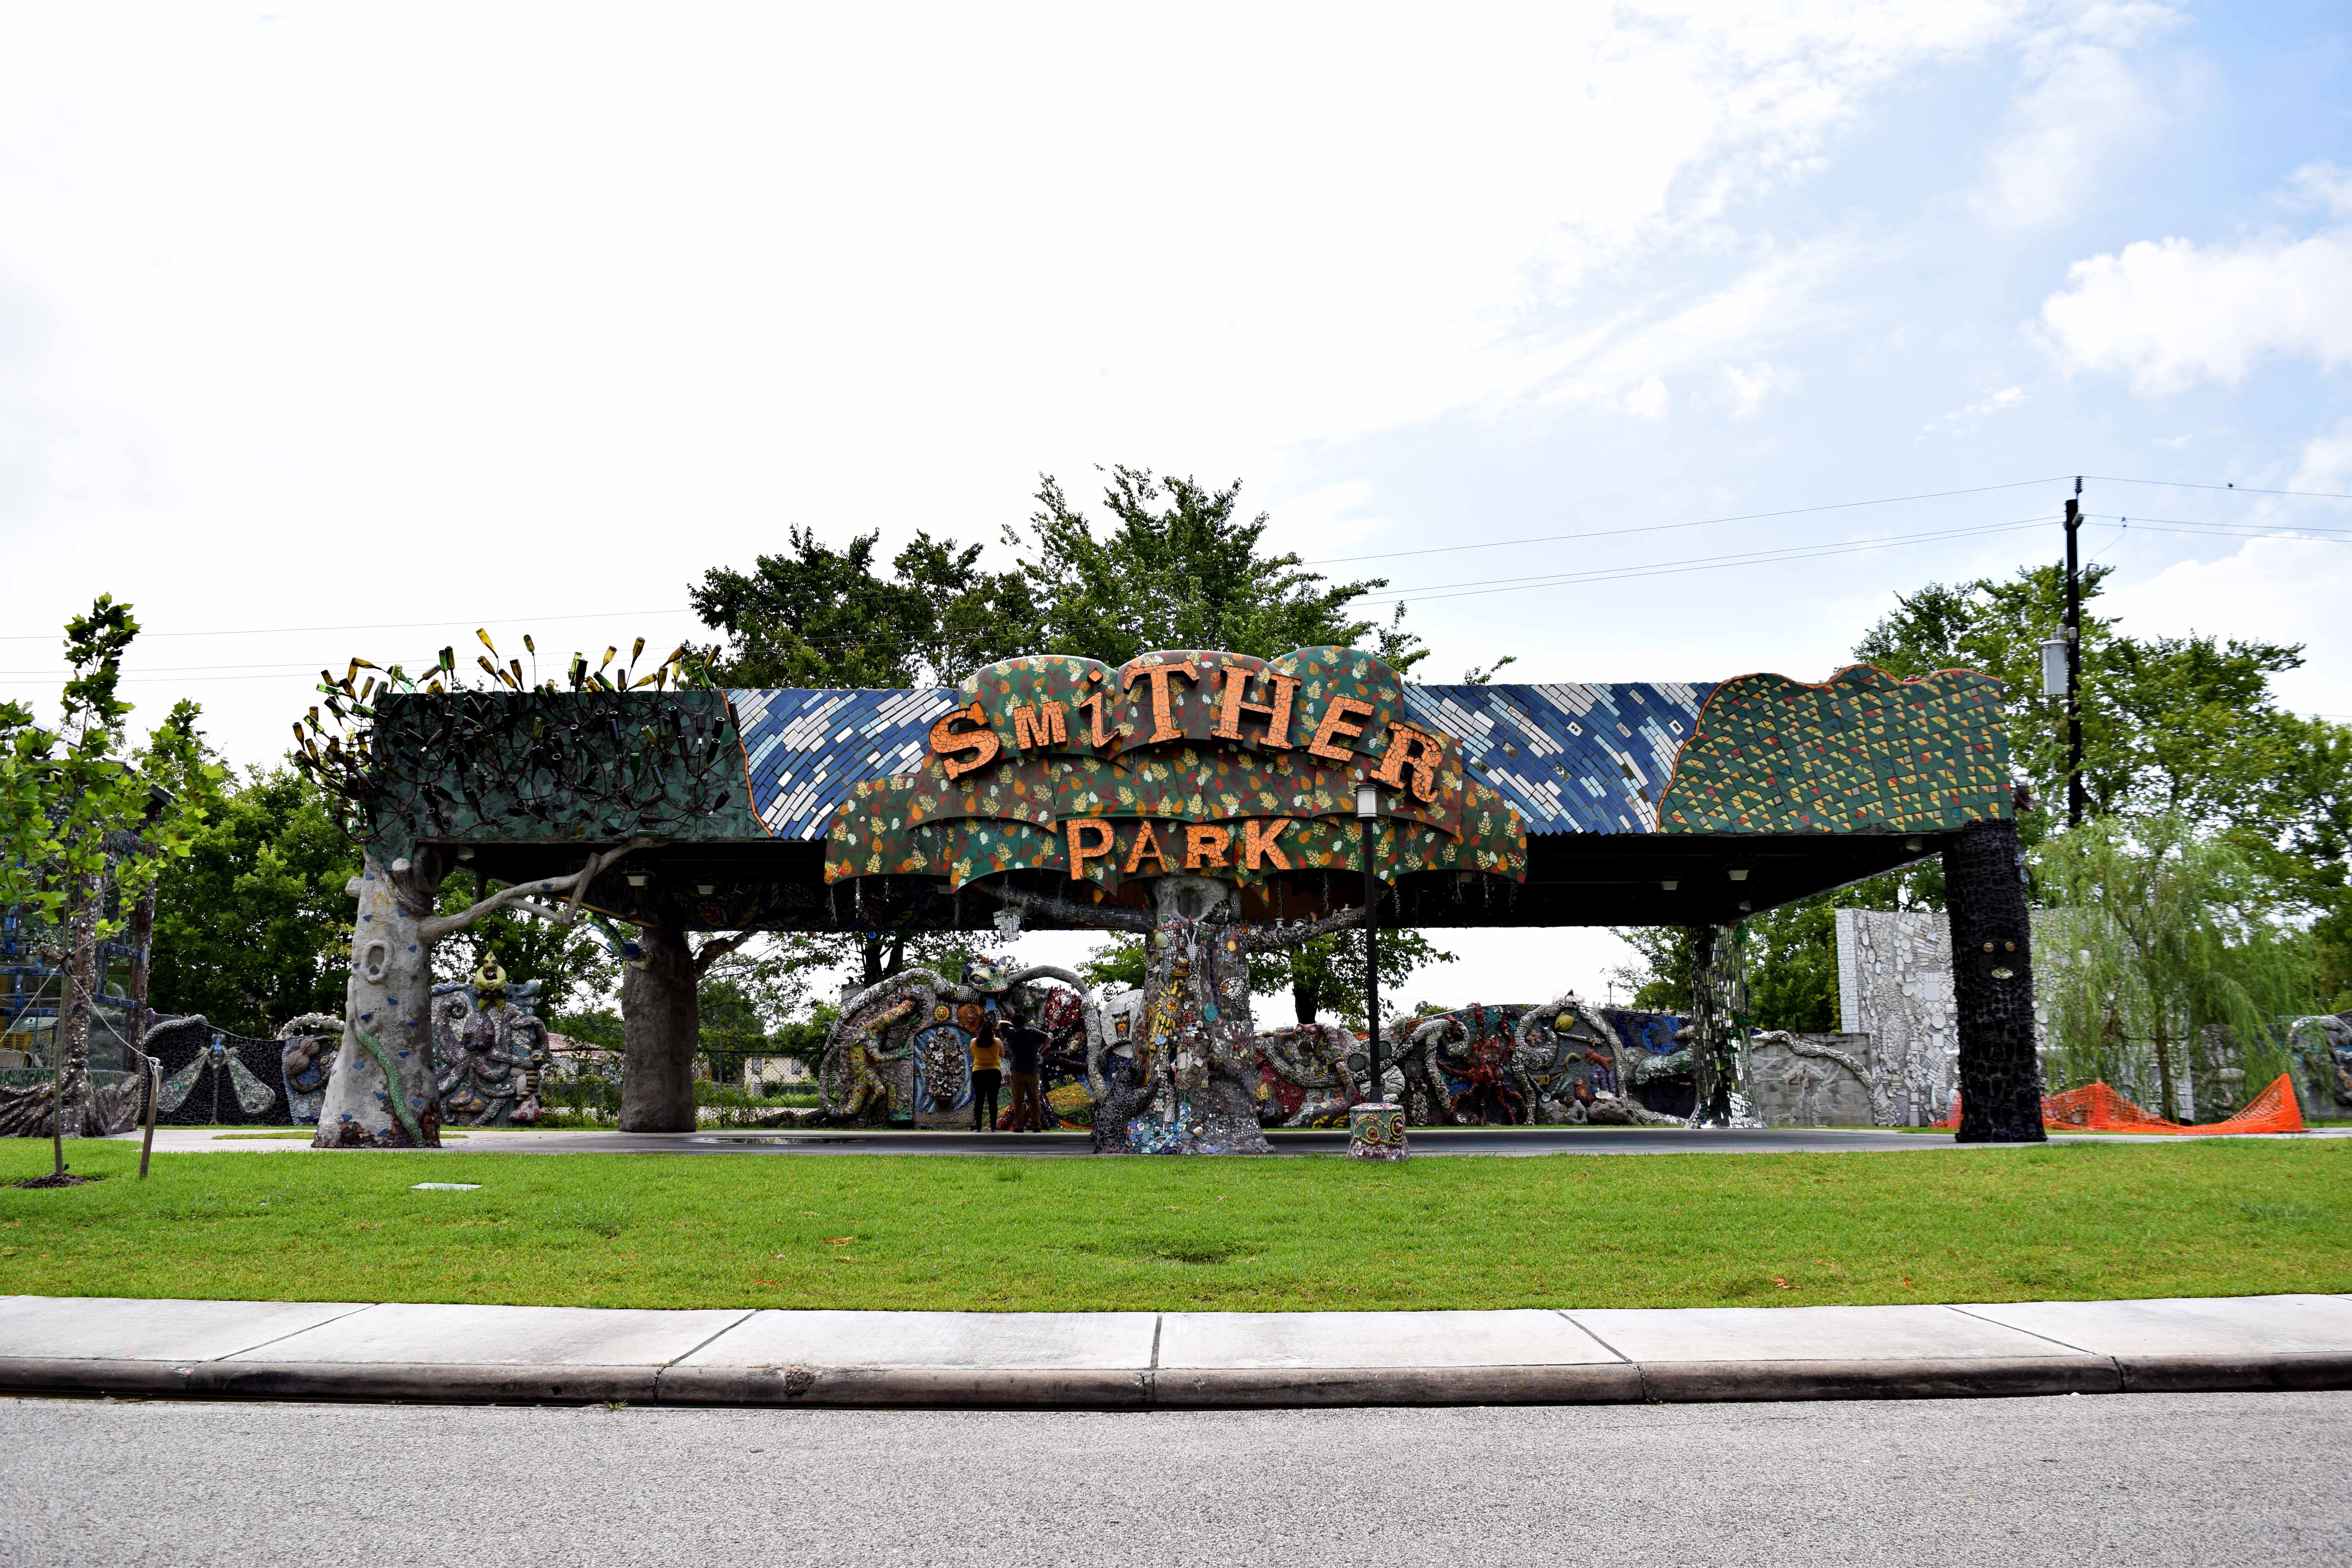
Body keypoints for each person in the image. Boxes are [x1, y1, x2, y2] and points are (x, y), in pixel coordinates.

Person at [1004, 1021, 1047, 1131]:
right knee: (1034, 1099)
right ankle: (1037, 1126)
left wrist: (1014, 1026)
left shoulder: (1012, 1034)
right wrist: (1040, 1052)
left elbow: (1000, 1024)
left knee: (1018, 1100)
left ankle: (1019, 1126)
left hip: (1017, 1070)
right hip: (1033, 1070)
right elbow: (1049, 1039)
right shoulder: (1033, 1032)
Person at [969, 1015, 1002, 1132]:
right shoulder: (997, 1041)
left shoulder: (974, 1042)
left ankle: (978, 1127)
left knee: (979, 1100)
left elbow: (972, 1053)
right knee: (993, 1100)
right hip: (994, 1072)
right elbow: (1002, 1055)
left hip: (978, 1073)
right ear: (992, 1031)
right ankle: (994, 1127)